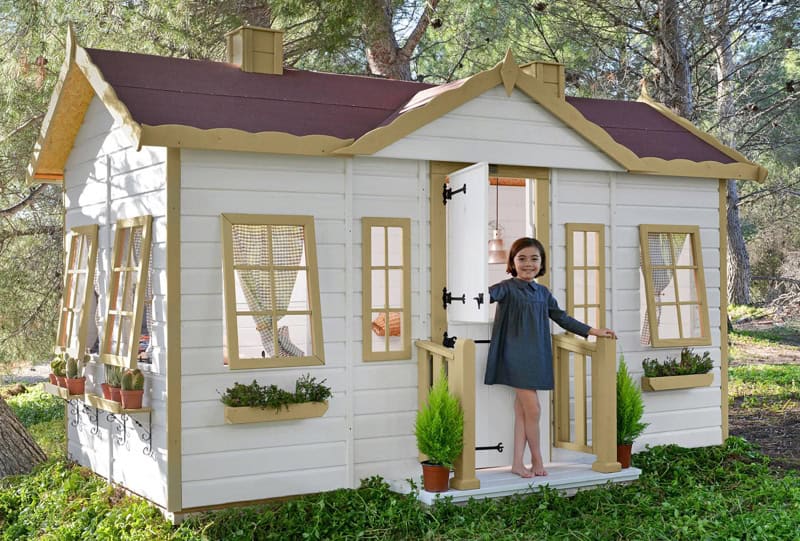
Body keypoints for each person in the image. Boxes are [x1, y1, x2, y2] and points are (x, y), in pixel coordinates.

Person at [485, 237, 617, 478]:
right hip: (513, 356)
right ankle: (537, 458)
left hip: (536, 355)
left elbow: (562, 318)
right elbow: (481, 297)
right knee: (533, 409)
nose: (528, 264)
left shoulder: (543, 293)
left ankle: (517, 463)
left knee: (524, 411)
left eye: (534, 259)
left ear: (541, 262)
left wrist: (594, 331)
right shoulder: (505, 287)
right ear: (513, 262)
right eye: (521, 258)